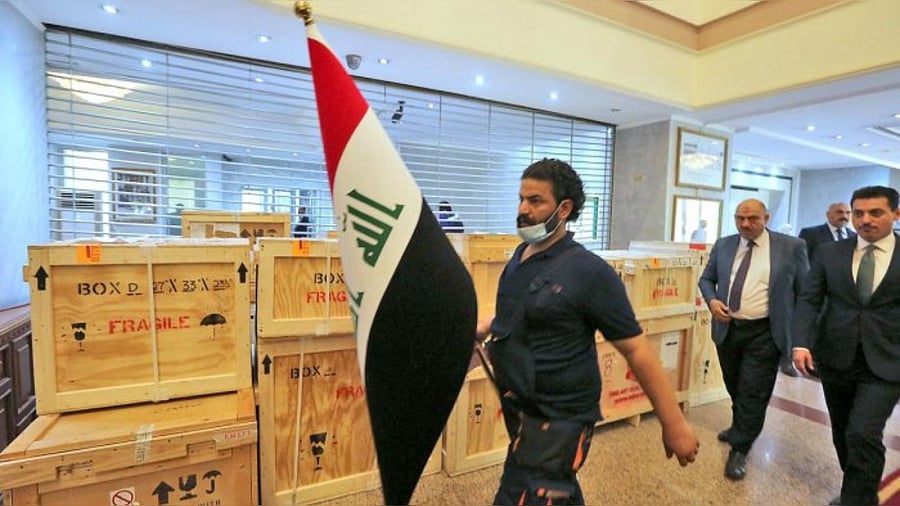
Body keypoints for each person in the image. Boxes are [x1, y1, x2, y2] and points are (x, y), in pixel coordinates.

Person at [475, 158, 698, 505]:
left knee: (524, 493)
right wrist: (488, 326)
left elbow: (637, 351)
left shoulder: (590, 273)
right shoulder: (520, 256)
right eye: (521, 199)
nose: (523, 210)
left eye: (535, 201)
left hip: (560, 417)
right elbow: (520, 312)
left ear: (564, 208)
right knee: (555, 489)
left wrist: (674, 424)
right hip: (522, 410)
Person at [792, 186, 900, 506]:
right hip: (836, 356)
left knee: (862, 432)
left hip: (888, 360)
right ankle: (856, 485)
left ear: (896, 213)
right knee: (842, 431)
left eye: (876, 213)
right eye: (859, 213)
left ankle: (857, 499)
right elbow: (810, 299)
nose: (865, 220)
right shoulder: (830, 253)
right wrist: (801, 342)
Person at [697, 198, 808, 481]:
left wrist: (801, 337)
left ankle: (740, 448)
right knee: (734, 384)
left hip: (765, 332)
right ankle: (740, 426)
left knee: (753, 391)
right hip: (728, 329)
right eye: (739, 218)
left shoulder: (791, 247)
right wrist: (711, 301)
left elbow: (805, 292)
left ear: (766, 218)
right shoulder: (724, 244)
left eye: (752, 219)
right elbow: (706, 279)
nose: (745, 224)